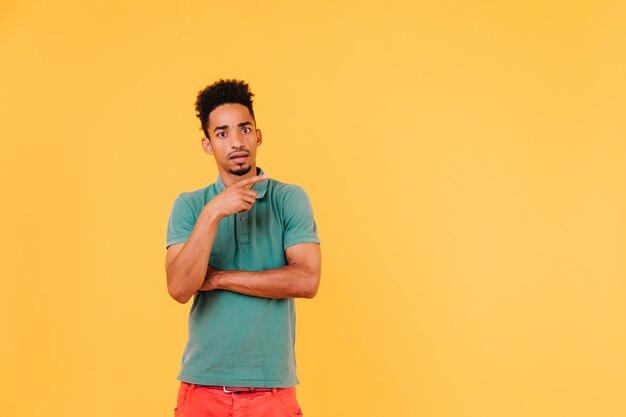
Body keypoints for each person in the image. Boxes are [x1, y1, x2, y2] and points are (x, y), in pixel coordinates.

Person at [165, 79, 321, 417]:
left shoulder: (289, 199)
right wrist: (213, 213)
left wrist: (219, 279)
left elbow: (306, 281)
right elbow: (179, 287)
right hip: (201, 390)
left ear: (258, 135)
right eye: (222, 133)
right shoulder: (191, 206)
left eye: (244, 129)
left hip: (272, 393)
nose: (236, 142)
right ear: (207, 145)